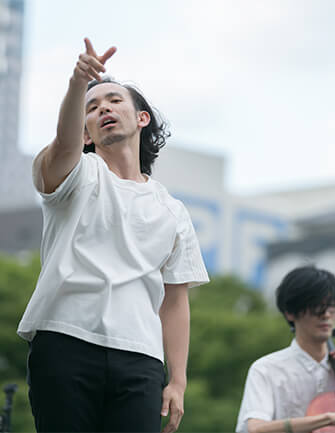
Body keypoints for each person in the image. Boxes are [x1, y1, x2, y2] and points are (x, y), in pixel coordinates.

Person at [17, 37, 209, 433]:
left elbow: (175, 301)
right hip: (64, 341)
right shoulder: (76, 176)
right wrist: (77, 82)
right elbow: (64, 146)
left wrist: (178, 381)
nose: (103, 107)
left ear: (142, 119)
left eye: (115, 100)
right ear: (85, 133)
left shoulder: (172, 209)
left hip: (141, 357)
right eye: (92, 107)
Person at [236, 265, 335, 433]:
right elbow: (256, 429)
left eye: (332, 306)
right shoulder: (266, 369)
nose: (326, 314)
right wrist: (328, 419)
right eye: (317, 306)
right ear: (290, 312)